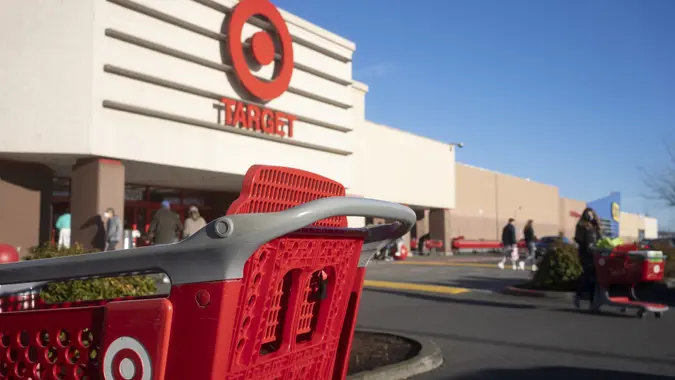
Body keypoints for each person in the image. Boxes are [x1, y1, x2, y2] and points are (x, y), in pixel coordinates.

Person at [573, 207, 602, 308]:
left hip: (596, 253)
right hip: (585, 254)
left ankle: (592, 302)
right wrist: (587, 244)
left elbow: (600, 238)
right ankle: (579, 295)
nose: (590, 216)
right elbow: (578, 239)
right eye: (588, 214)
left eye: (591, 214)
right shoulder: (581, 225)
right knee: (588, 275)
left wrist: (597, 225)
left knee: (595, 276)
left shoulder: (595, 226)